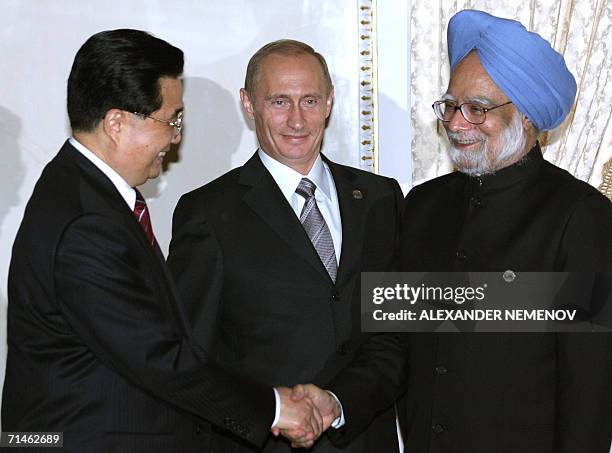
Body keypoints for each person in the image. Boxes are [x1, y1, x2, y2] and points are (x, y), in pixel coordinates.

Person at [290, 9, 612, 453]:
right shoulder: (424, 206)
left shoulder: (580, 216)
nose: (457, 124)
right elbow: (397, 342)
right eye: (450, 106)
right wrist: (335, 401)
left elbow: (589, 389)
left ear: (527, 116)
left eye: (477, 109)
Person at [2, 29, 324, 453]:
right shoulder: (86, 222)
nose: (175, 138)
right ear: (116, 123)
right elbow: (158, 357)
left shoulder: (83, 193)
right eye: (170, 120)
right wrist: (276, 407)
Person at [167, 39, 403, 452]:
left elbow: (397, 335)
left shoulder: (382, 199)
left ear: (329, 102)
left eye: (310, 100)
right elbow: (192, 360)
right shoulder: (206, 213)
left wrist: (338, 402)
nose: (297, 120)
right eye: (279, 102)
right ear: (248, 104)